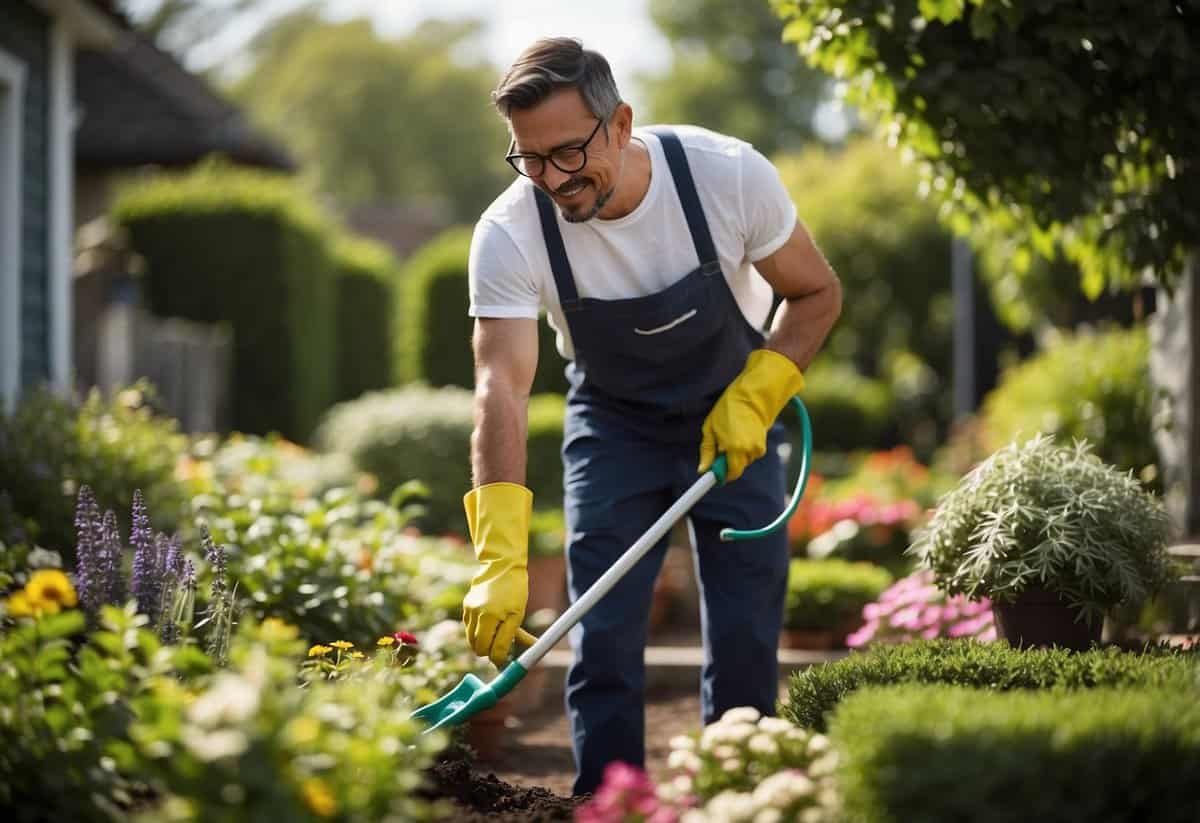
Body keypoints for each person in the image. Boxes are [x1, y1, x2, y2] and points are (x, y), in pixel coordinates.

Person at [461, 37, 842, 795]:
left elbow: (817, 293)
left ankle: (736, 795)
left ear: (622, 122)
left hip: (732, 417)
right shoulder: (510, 230)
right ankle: (608, 799)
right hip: (613, 423)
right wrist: (497, 552)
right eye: (531, 159)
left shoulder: (724, 176)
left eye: (569, 152)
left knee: (744, 627)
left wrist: (758, 394)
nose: (555, 180)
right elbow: (499, 386)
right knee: (601, 631)